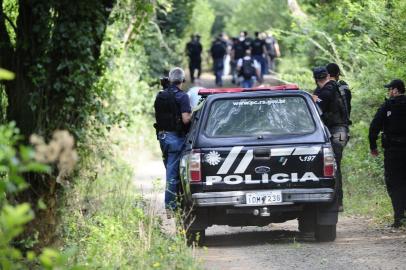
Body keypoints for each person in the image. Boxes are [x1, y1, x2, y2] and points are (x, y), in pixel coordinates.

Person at [154, 67, 192, 214]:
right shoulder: (182, 97)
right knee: (172, 173)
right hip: (175, 138)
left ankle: (176, 200)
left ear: (170, 79)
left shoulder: (161, 95)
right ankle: (171, 207)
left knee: (170, 169)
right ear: (183, 80)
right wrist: (193, 113)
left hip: (162, 137)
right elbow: (185, 119)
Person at [369, 79, 406, 228]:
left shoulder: (387, 106)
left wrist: (373, 146)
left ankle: (399, 218)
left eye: (390, 89)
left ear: (396, 90)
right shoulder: (388, 105)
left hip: (393, 151)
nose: (389, 92)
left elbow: (374, 127)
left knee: (394, 183)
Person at [313, 66, 350, 211]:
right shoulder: (340, 87)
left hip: (336, 130)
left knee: (333, 164)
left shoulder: (326, 90)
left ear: (316, 79)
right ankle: (337, 201)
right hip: (342, 130)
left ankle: (337, 201)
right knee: (335, 164)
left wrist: (314, 99)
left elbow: (319, 107)